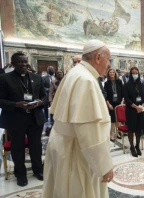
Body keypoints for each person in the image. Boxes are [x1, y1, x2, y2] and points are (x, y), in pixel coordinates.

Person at [42, 40, 114, 197]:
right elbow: (88, 131)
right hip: (75, 152)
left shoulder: (75, 73)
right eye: (108, 59)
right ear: (98, 57)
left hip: (65, 144)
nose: (108, 64)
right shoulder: (85, 80)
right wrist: (104, 166)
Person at [0, 52, 46, 187]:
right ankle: (20, 174)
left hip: (35, 118)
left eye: (25, 62)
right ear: (13, 64)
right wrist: (16, 104)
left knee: (36, 146)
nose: (24, 64)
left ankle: (38, 170)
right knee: (18, 148)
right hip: (16, 119)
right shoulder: (4, 78)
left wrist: (39, 103)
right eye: (20, 62)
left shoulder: (37, 78)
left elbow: (44, 96)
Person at [123, 66, 144, 157]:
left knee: (138, 129)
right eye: (133, 73)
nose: (134, 75)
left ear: (138, 74)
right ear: (130, 74)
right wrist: (136, 107)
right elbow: (126, 98)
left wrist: (142, 107)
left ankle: (137, 146)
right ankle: (132, 146)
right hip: (130, 110)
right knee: (131, 129)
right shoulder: (126, 85)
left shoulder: (141, 84)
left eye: (136, 73)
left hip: (140, 110)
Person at [104, 68, 124, 141]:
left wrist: (122, 102)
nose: (112, 73)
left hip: (119, 103)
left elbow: (123, 93)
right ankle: (111, 134)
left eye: (113, 72)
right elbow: (105, 96)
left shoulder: (119, 81)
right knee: (112, 120)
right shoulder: (107, 83)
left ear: (115, 73)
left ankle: (118, 132)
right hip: (111, 104)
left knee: (119, 119)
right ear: (108, 74)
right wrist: (108, 105)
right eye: (110, 72)